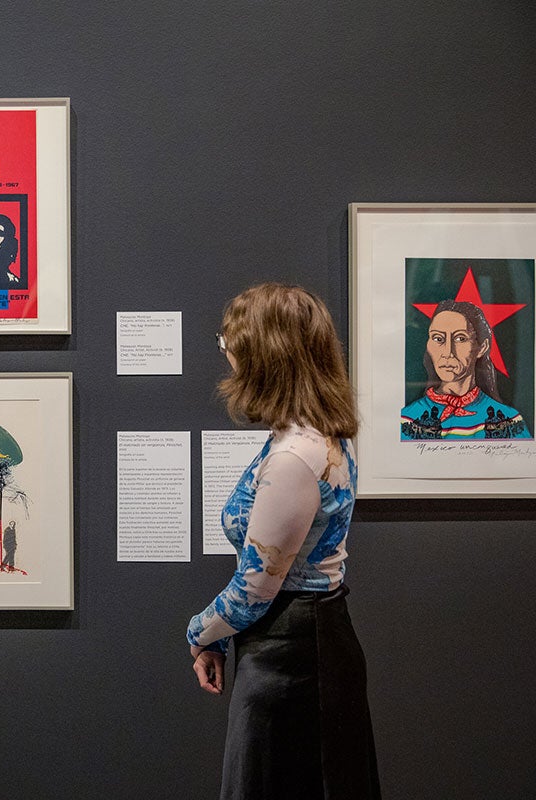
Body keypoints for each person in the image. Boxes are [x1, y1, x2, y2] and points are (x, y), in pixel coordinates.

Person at [186, 283, 379, 799]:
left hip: (289, 658)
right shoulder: (321, 434)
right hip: (311, 641)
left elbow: (254, 589)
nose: (225, 351)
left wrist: (199, 631)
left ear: (266, 357)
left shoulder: (294, 457)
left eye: (231, 342)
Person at [400, 299, 531, 439]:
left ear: (482, 348)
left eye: (460, 339)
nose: (448, 352)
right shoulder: (408, 419)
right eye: (438, 339)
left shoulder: (507, 421)